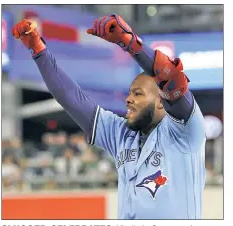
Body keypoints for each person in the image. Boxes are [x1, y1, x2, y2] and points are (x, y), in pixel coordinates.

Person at [12, 14, 206, 219]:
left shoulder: (184, 130)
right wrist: (39, 52)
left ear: (161, 100)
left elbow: (173, 80)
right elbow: (71, 99)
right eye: (130, 93)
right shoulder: (120, 134)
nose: (128, 99)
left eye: (138, 93)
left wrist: (130, 43)